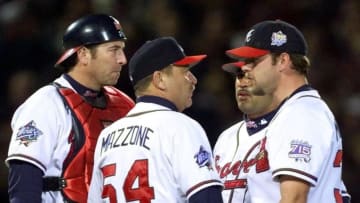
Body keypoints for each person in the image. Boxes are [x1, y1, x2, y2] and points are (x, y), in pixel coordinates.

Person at [213, 20, 351, 203]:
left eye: (253, 61)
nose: (244, 67)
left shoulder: (301, 112)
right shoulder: (294, 111)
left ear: (283, 61)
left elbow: (293, 199)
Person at [5, 14, 135, 203]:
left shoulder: (124, 104)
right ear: (83, 54)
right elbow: (24, 183)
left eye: (122, 50)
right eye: (113, 50)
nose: (123, 59)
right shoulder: (45, 104)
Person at [88, 36, 224, 203]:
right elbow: (207, 197)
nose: (193, 80)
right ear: (159, 79)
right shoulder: (180, 126)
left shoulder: (107, 136)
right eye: (185, 71)